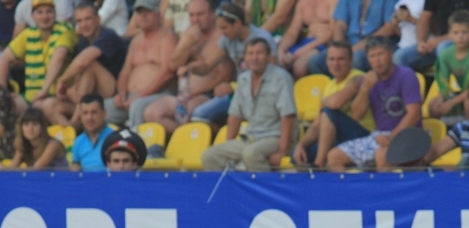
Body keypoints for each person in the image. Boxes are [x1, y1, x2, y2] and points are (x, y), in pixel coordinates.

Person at [325, 36, 422, 170]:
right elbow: (356, 115)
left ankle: (383, 185)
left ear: (391, 54)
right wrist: (365, 89)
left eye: (380, 54)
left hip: (408, 135)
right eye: (372, 56)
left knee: (382, 155)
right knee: (334, 156)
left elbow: (414, 114)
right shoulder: (369, 80)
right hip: (378, 135)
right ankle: (355, 185)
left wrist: (393, 137)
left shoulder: (406, 75)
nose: (377, 60)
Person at [200, 37, 296, 170]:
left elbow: (288, 117)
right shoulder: (243, 79)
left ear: (268, 56)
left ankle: (263, 184)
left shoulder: (281, 78)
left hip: (275, 138)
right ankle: (230, 184)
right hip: (250, 138)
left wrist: (282, 150)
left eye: (259, 53)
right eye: (250, 53)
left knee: (250, 154)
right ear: (245, 57)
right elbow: (234, 116)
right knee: (209, 156)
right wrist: (229, 145)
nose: (254, 58)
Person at [141, 0, 230, 134]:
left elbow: (223, 73)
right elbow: (173, 65)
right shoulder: (189, 33)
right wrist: (187, 43)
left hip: (208, 94)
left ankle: (205, 136)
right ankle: (183, 137)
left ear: (213, 14)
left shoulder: (222, 35)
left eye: (200, 14)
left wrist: (194, 92)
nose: (195, 19)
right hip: (184, 94)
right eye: (192, 15)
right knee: (151, 113)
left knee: (189, 113)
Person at [43, 1, 125, 126]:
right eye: (79, 21)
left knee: (89, 64)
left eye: (88, 19)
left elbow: (82, 62)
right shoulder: (82, 43)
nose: (84, 24)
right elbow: (77, 75)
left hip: (112, 92)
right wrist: (70, 90)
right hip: (88, 97)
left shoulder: (108, 36)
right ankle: (67, 132)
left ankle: (75, 122)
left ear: (98, 19)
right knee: (48, 105)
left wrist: (62, 79)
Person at [291, 41, 371, 168]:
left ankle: (319, 165)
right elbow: (317, 125)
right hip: (339, 140)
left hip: (363, 137)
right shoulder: (329, 85)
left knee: (329, 113)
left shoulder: (358, 78)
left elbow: (335, 104)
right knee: (298, 154)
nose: (335, 64)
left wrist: (324, 102)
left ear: (351, 61)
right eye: (331, 59)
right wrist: (301, 145)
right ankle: (312, 177)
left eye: (341, 59)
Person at [105, 0, 176, 129]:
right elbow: (125, 72)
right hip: (130, 96)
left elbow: (167, 73)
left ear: (158, 14)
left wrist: (140, 96)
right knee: (101, 109)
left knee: (137, 106)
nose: (143, 16)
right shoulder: (136, 41)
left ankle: (135, 141)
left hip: (157, 95)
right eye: (139, 12)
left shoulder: (167, 37)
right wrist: (121, 94)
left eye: (147, 12)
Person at [0, 0, 78, 107]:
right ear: (32, 16)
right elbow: (4, 59)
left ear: (55, 14)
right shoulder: (29, 33)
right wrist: (3, 93)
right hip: (31, 97)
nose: (45, 17)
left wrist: (44, 90)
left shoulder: (65, 29)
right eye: (40, 12)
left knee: (44, 105)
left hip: (57, 95)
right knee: (10, 105)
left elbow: (59, 57)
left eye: (48, 12)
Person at [427, 10, 469, 120]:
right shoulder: (445, 55)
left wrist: (450, 103)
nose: (460, 36)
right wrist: (441, 99)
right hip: (465, 93)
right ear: (449, 34)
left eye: (464, 32)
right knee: (433, 106)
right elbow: (443, 84)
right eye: (456, 33)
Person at [306, 0, 399, 75]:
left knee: (356, 60)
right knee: (316, 62)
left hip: (376, 45)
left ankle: (358, 90)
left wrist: (354, 49)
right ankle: (334, 88)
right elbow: (340, 25)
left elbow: (390, 27)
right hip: (349, 44)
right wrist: (339, 49)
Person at [393, 0, 469, 74]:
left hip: (461, 42)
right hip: (437, 44)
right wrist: (421, 42)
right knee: (400, 56)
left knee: (442, 48)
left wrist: (439, 40)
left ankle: (446, 88)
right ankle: (404, 89)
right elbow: (425, 18)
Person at [0, 105, 68, 168]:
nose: (30, 129)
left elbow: (35, 170)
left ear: (42, 127)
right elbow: (12, 169)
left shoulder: (53, 145)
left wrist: (4, 169)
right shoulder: (23, 146)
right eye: (26, 124)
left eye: (35, 124)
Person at [276, 0, 333, 77]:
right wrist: (281, 50)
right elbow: (292, 32)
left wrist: (306, 48)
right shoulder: (303, 3)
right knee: (278, 62)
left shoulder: (332, 2)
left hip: (323, 43)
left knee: (299, 67)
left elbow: (333, 30)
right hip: (306, 41)